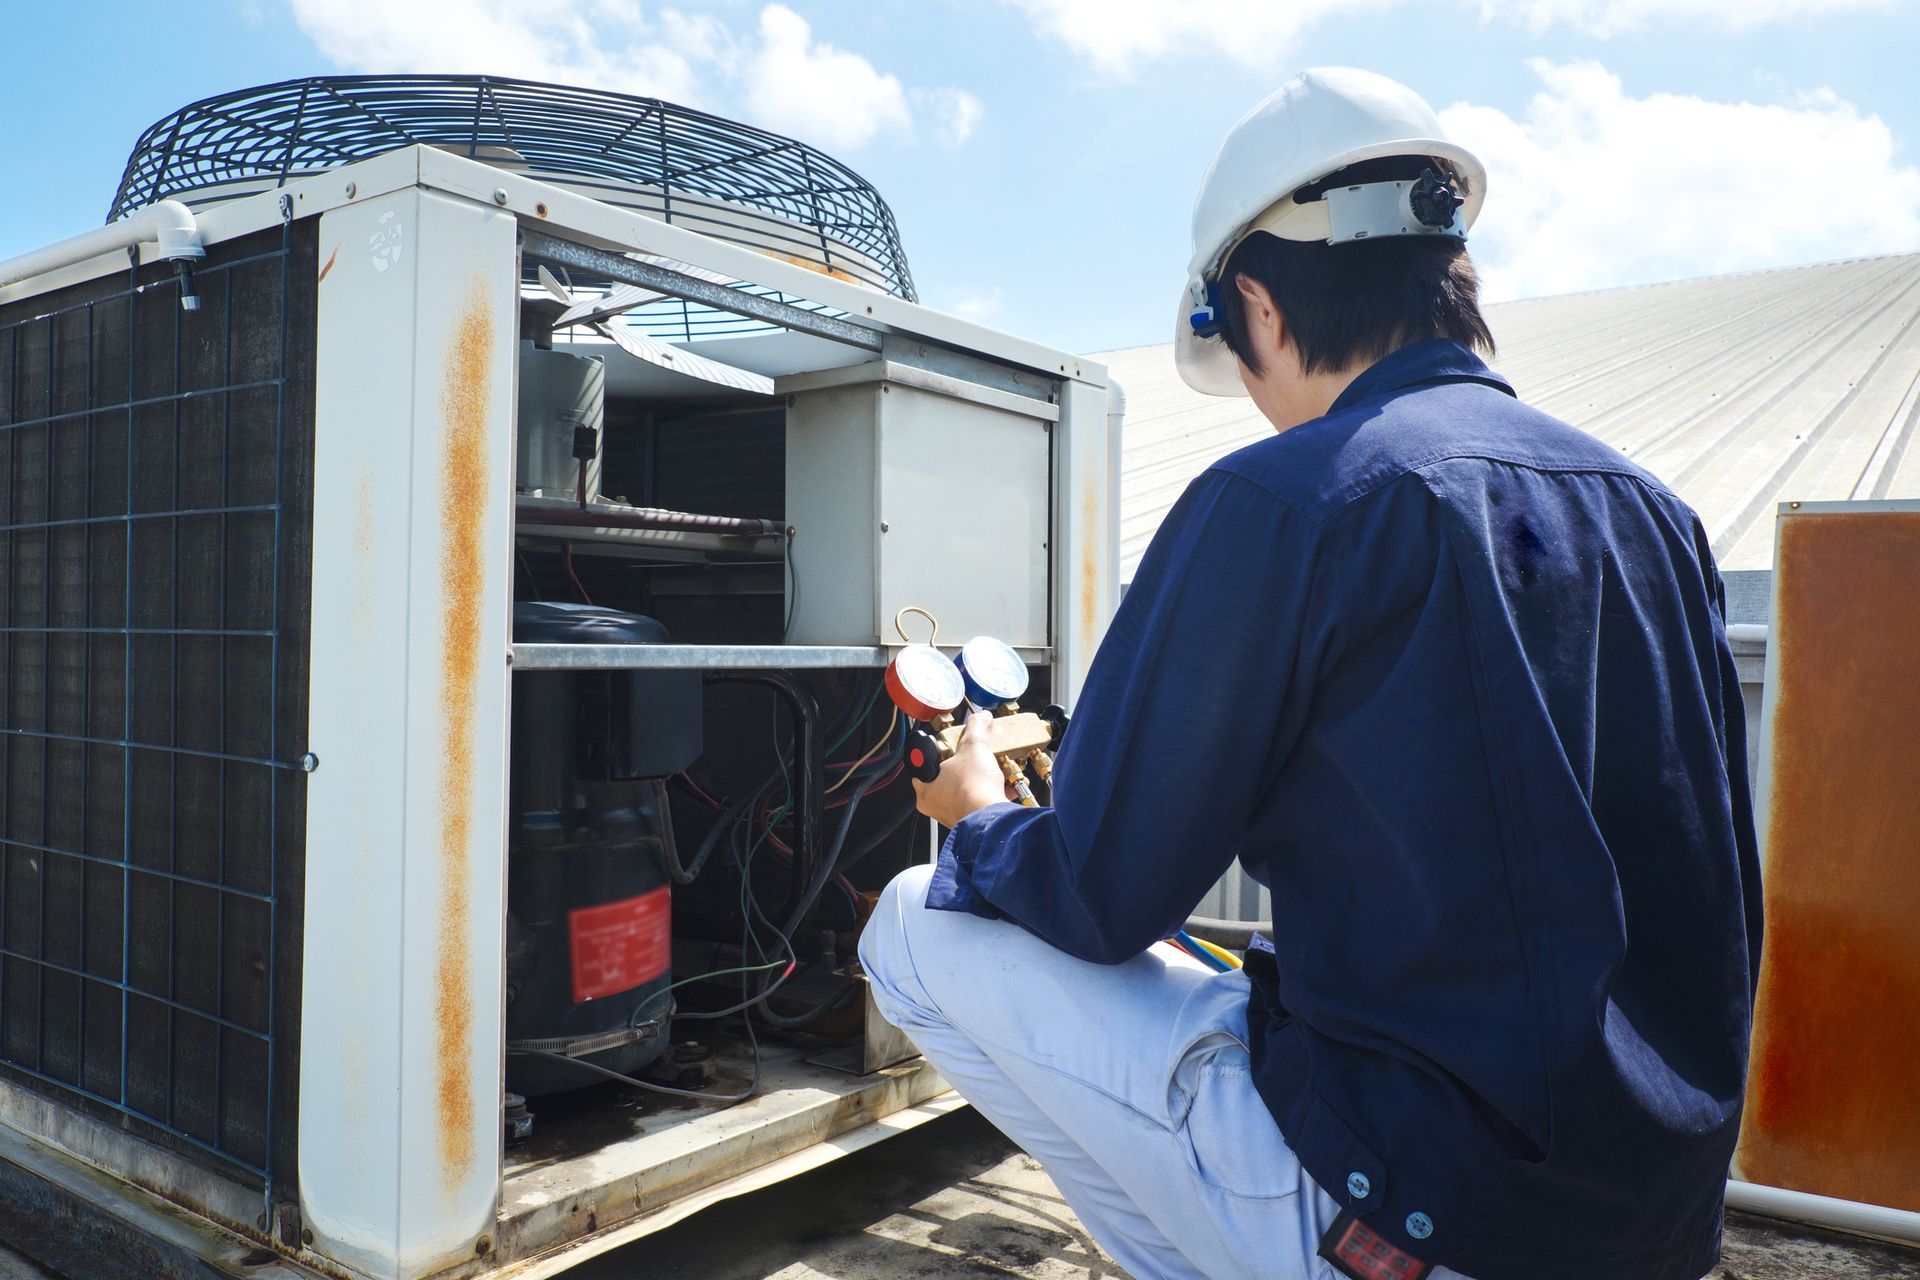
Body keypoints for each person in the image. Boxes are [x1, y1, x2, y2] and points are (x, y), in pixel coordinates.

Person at [859, 67, 1761, 1280]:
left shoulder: (1282, 501)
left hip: (1421, 1216)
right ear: (1452, 280)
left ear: (1259, 308)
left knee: (913, 927)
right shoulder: (1656, 515)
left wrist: (975, 822)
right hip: (1649, 1224)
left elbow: (1101, 892)